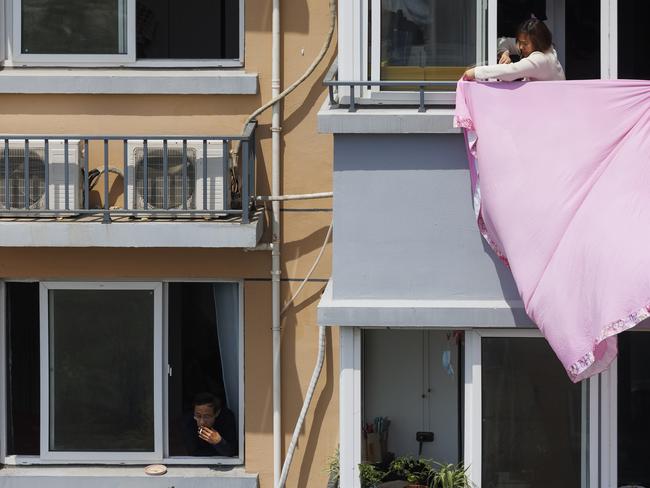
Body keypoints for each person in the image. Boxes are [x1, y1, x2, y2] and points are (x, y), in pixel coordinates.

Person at [463, 18, 565, 82]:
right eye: (520, 42)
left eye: (525, 44)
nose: (520, 47)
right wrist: (505, 53)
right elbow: (501, 41)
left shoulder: (541, 59)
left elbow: (511, 72)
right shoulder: (546, 49)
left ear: (539, 42)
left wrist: (475, 72)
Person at [183, 392, 238, 457]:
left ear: (217, 413)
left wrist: (219, 442)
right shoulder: (190, 421)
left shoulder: (226, 418)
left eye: (206, 416)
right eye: (198, 416)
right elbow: (193, 453)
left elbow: (233, 452)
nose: (201, 422)